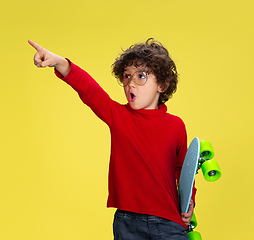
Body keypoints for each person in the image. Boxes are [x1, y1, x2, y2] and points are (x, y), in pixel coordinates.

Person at [28, 38, 196, 240]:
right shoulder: (118, 116)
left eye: (140, 76)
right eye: (126, 77)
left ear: (162, 84)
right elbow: (90, 91)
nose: (130, 83)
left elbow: (184, 170)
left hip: (168, 222)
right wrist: (59, 62)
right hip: (128, 223)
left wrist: (190, 202)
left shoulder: (176, 126)